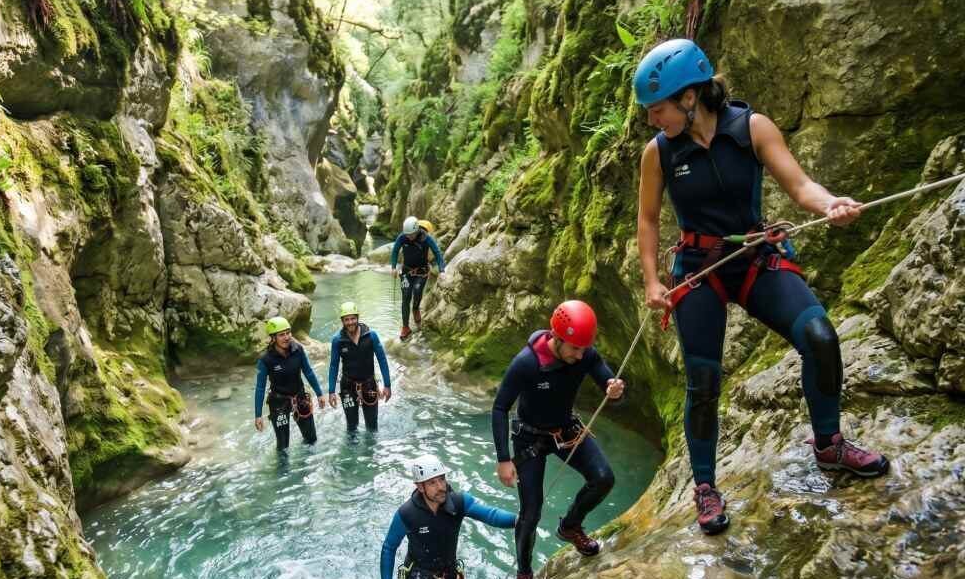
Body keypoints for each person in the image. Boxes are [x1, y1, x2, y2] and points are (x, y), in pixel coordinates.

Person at [633, 38, 889, 535]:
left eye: (657, 109)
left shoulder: (751, 128)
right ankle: (705, 486)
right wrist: (651, 280)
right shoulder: (658, 153)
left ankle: (829, 444)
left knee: (819, 336)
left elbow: (799, 185)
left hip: (754, 256)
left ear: (689, 97)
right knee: (703, 382)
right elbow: (646, 220)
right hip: (699, 269)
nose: (651, 120)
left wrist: (830, 204)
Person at [491, 301, 625, 576]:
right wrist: (504, 459)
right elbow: (500, 407)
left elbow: (606, 381)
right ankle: (525, 571)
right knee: (531, 513)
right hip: (530, 439)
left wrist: (615, 390)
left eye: (584, 348)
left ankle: (570, 526)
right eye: (575, 348)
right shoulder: (527, 363)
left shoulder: (584, 354)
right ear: (557, 338)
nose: (580, 354)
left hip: (565, 430)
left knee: (603, 478)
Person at [380, 454, 517, 579]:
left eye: (442, 479)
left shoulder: (459, 502)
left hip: (449, 573)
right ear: (420, 487)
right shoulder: (407, 513)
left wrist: (520, 520)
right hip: (418, 575)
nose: (440, 487)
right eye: (432, 482)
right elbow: (389, 548)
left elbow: (491, 515)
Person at [253, 316, 327, 450]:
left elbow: (308, 372)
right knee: (283, 446)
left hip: (300, 398)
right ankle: (283, 470)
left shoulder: (298, 349)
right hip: (279, 402)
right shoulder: (266, 360)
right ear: (273, 338)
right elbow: (260, 387)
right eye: (282, 335)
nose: (286, 337)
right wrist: (258, 415)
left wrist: (320, 394)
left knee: (311, 439)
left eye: (288, 333)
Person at [328, 301, 393, 432]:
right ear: (342, 321)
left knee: (372, 426)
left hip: (369, 384)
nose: (350, 322)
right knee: (351, 426)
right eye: (347, 319)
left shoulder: (371, 335)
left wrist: (387, 385)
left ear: (357, 318)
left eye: (353, 318)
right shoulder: (338, 340)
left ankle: (370, 452)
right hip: (347, 387)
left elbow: (382, 360)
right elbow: (333, 366)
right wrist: (331, 391)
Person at [390, 215, 446, 339]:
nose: (409, 237)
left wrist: (442, 270)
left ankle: (415, 309)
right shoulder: (402, 237)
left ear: (417, 231)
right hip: (406, 271)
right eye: (407, 235)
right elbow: (394, 251)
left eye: (411, 235)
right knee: (405, 296)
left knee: (417, 291)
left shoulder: (426, 238)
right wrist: (393, 267)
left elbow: (437, 253)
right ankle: (405, 327)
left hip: (422, 272)